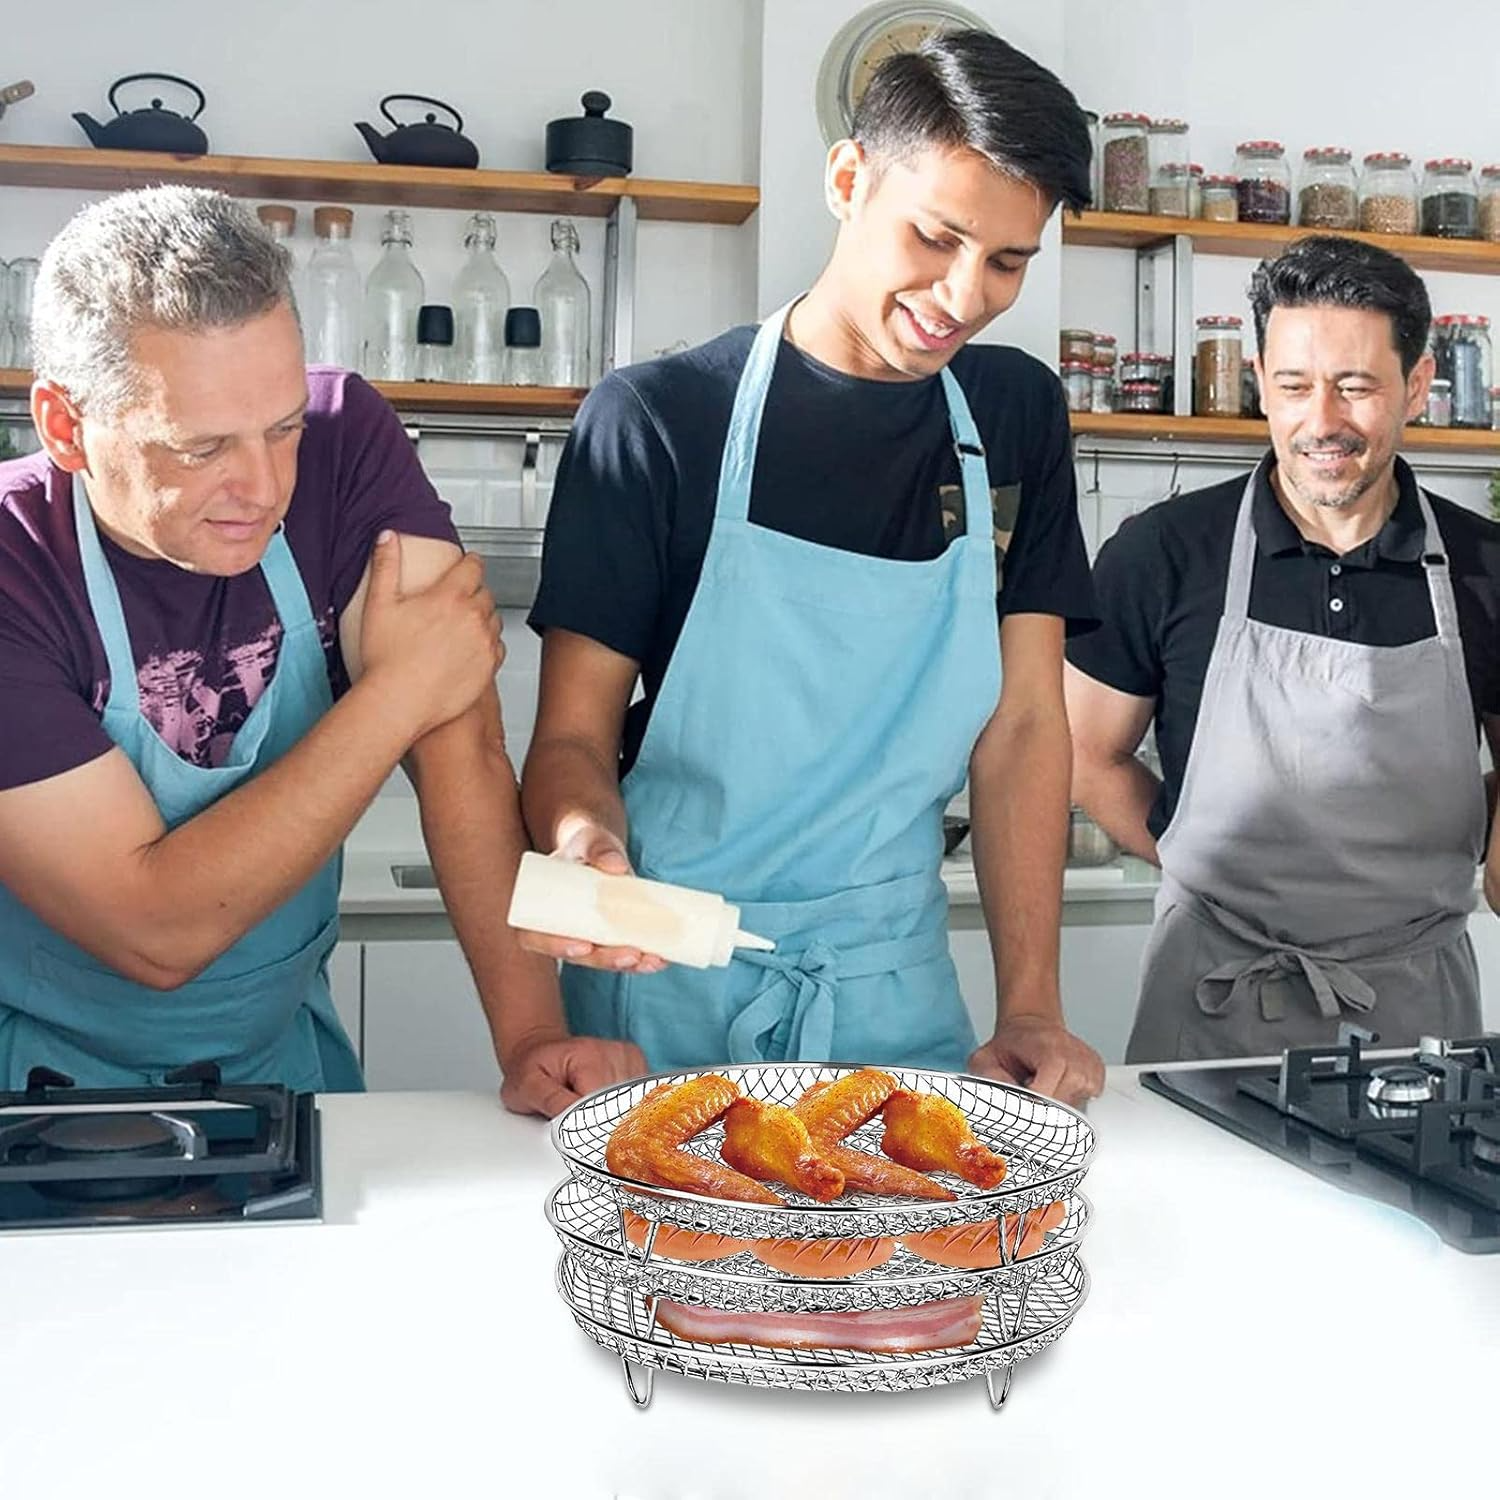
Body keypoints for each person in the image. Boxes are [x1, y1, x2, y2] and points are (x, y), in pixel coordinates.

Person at [517, 31, 1105, 1106]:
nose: (965, 295)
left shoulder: (1016, 417)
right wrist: (582, 844)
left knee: (917, 1274)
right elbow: (568, 738)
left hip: (894, 996)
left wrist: (1031, 1003)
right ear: (847, 181)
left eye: (1009, 261)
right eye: (937, 237)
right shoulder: (657, 420)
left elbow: (1024, 729)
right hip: (671, 986)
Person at [0, 186, 643, 1111]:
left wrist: (533, 1036)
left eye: (282, 426)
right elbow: (155, 931)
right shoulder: (15, 566)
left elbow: (457, 742)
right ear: (66, 426)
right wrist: (394, 694)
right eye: (201, 447)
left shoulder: (349, 441)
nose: (262, 489)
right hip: (39, 1095)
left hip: (285, 1073)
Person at [1066, 235, 1500, 1062]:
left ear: (1416, 385)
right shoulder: (1162, 554)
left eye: (1356, 387)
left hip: (1419, 1021)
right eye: (1294, 386)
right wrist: (1201, 861)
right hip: (1212, 999)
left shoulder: (1487, 571)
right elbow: (1086, 750)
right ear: (1261, 383)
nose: (1322, 422)